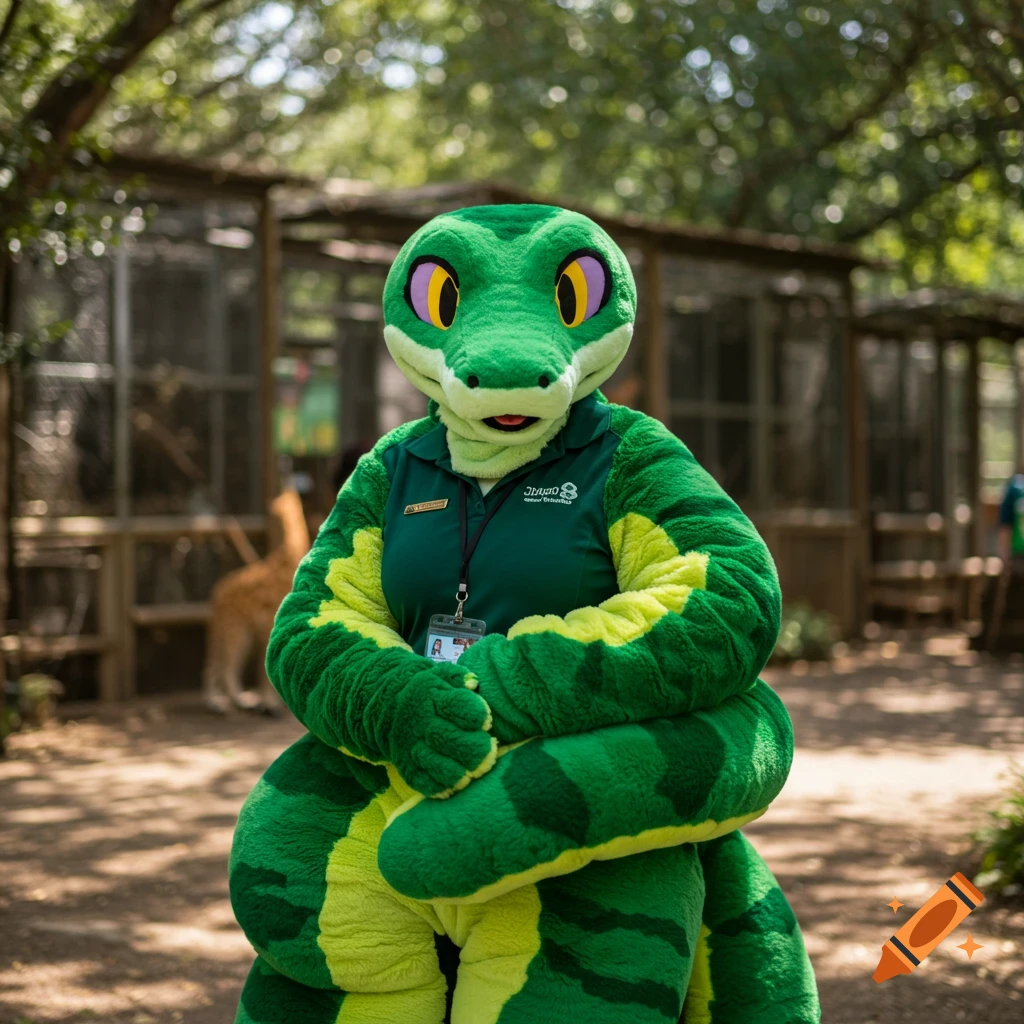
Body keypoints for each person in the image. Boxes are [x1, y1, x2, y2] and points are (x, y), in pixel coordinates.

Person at [229, 205, 817, 1024]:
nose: (507, 369)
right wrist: (400, 702)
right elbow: (313, 625)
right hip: (401, 789)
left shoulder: (630, 454)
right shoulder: (395, 466)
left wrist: (503, 683)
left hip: (573, 830)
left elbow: (727, 596)